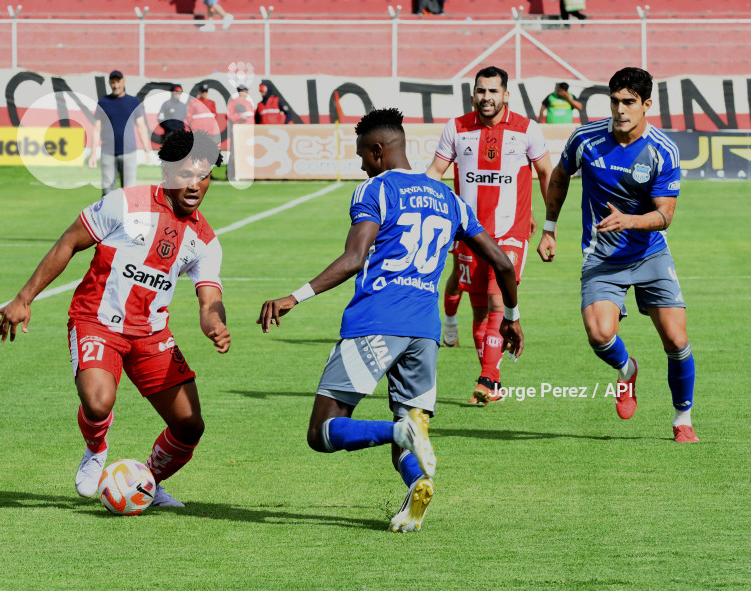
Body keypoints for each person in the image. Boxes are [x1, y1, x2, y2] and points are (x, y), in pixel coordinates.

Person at [257, 108, 523, 532]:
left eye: (363, 154)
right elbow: (504, 263)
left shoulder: (374, 190)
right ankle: (416, 483)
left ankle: (399, 432)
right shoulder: (450, 200)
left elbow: (353, 258)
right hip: (424, 333)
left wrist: (296, 296)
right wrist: (510, 316)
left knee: (323, 430)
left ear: (378, 151)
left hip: (376, 321)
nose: (361, 163)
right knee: (410, 422)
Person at [0, 130, 231, 506]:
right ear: (168, 174)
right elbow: (69, 241)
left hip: (151, 334)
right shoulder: (126, 203)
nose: (195, 184)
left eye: (203, 175)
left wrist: (214, 322)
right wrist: (24, 297)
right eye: (186, 174)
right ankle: (96, 448)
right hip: (96, 321)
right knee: (99, 402)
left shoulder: (205, 240)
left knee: (189, 424)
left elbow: (209, 296)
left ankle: (145, 480)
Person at [536, 67, 698, 443]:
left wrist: (629, 220)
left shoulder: (663, 150)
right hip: (602, 257)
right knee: (599, 334)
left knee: (675, 340)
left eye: (629, 102)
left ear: (646, 105)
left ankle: (682, 418)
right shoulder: (586, 139)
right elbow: (560, 177)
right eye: (615, 101)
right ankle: (627, 371)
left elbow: (665, 216)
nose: (620, 110)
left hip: (650, 254)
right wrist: (548, 227)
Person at [427, 65, 552, 404]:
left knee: (499, 299)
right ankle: (489, 380)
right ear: (473, 95)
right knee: (480, 311)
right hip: (469, 233)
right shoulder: (457, 128)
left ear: (506, 94)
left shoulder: (527, 130)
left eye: (493, 91)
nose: (486, 97)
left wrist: (549, 227)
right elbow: (436, 172)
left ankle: (489, 377)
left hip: (510, 233)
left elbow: (545, 173)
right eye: (481, 91)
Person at [88, 70, 153, 197]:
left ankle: (127, 217)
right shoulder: (103, 102)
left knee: (129, 193)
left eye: (118, 82)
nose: (116, 85)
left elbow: (141, 127)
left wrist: (146, 150)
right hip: (108, 153)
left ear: (123, 81)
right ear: (109, 83)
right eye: (113, 82)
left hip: (129, 153)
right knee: (107, 193)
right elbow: (96, 129)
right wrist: (93, 153)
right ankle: (108, 217)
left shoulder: (133, 102)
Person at [225, 84, 256, 180]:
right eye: (245, 91)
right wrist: (240, 117)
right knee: (235, 152)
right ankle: (231, 173)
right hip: (238, 131)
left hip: (248, 132)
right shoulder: (234, 102)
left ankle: (246, 173)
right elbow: (229, 116)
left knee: (247, 153)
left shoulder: (249, 103)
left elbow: (252, 117)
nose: (247, 93)